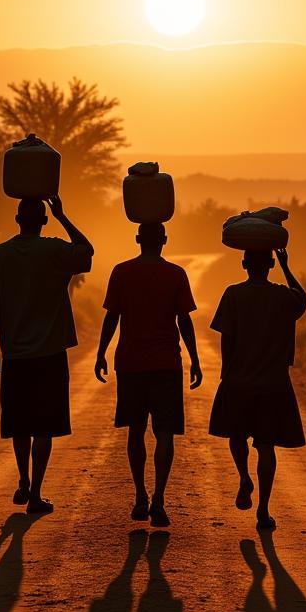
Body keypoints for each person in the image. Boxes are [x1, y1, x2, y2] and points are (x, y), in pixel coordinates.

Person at [0, 195, 93, 515]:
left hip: (15, 354)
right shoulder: (55, 251)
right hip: (49, 354)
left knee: (20, 423)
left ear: (17, 220)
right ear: (43, 221)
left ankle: (22, 480)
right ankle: (36, 494)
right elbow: (86, 253)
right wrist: (63, 215)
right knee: (44, 425)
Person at [95, 222, 202, 527]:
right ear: (165, 240)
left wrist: (101, 352)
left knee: (136, 430)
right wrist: (194, 359)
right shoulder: (176, 274)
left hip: (130, 363)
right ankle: (158, 499)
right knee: (165, 433)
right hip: (166, 364)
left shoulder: (121, 272)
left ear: (138, 239)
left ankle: (140, 496)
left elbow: (111, 316)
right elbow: (184, 321)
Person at [208, 247, 306, 531]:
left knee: (236, 436)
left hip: (238, 380)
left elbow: (226, 339)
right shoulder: (282, 296)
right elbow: (303, 300)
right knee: (266, 446)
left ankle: (243, 477)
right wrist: (287, 267)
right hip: (273, 383)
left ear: (244, 264)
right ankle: (263, 510)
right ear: (271, 264)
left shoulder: (233, 294)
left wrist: (226, 374)